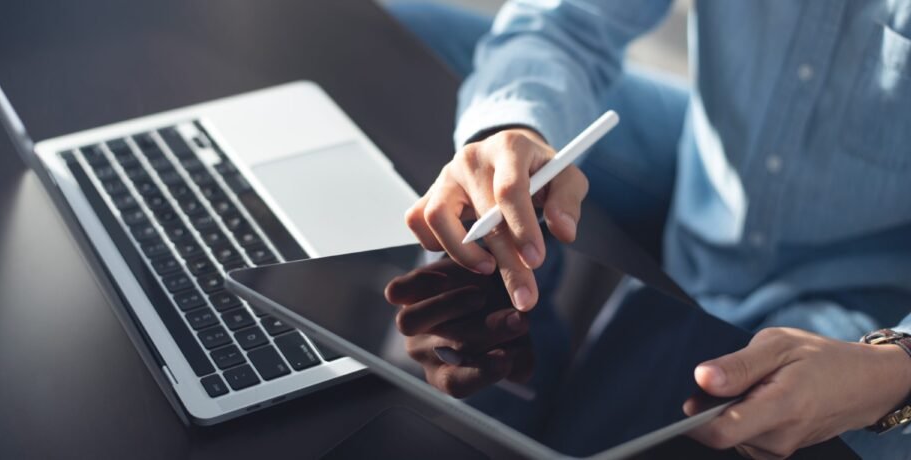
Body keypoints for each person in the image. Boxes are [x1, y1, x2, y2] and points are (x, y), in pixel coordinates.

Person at [388, 1, 911, 458]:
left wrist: (895, 370)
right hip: (712, 160)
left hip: (873, 294)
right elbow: (565, 23)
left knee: (820, 425)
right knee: (408, 33)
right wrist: (513, 130)